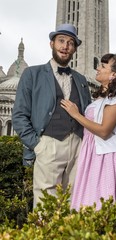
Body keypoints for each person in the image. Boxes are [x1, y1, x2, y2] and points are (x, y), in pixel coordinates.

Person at [12, 23, 91, 208]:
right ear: (52, 44)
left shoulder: (81, 80)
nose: (65, 46)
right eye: (61, 41)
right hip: (48, 145)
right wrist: (37, 145)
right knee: (46, 202)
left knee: (76, 200)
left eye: (71, 43)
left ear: (74, 49)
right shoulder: (32, 74)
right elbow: (19, 115)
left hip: (79, 147)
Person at [61, 53, 116, 210]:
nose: (98, 68)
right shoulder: (101, 99)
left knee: (106, 204)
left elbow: (104, 131)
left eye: (103, 66)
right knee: (90, 203)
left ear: (113, 75)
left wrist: (76, 115)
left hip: (109, 157)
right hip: (94, 154)